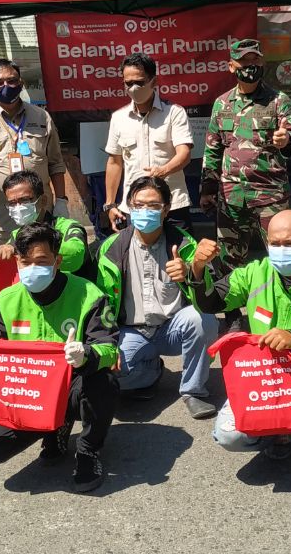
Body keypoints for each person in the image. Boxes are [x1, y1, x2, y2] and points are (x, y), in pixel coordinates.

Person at [186, 209, 291, 497]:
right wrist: (198, 270)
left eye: (290, 244)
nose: (281, 250)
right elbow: (212, 301)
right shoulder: (256, 273)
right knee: (228, 436)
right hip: (267, 374)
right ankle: (276, 432)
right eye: (274, 243)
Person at [0, 221, 119, 494]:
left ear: (57, 261)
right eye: (25, 261)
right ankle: (55, 429)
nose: (33, 268)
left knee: (104, 382)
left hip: (73, 383)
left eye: (41, 261)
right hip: (29, 393)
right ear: (17, 262)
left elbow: (109, 347)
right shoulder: (7, 298)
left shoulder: (89, 294)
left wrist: (86, 355)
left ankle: (88, 450)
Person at [200, 38, 291, 330]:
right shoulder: (222, 103)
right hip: (231, 197)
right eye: (244, 62)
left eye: (255, 61)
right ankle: (233, 315)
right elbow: (212, 149)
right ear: (231, 66)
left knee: (282, 255)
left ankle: (286, 312)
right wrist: (207, 190)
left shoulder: (278, 100)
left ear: (263, 63)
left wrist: (286, 141)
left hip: (271, 197)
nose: (250, 67)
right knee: (229, 259)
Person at [96, 176, 218, 418]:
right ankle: (150, 371)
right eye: (138, 205)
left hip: (172, 329)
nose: (145, 211)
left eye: (153, 206)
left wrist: (191, 272)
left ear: (166, 209)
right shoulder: (111, 248)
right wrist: (107, 344)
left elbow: (211, 295)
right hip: (130, 331)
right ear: (129, 207)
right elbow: (102, 303)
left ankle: (193, 390)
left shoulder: (184, 243)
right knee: (111, 377)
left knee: (203, 319)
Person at [0, 59, 69, 251]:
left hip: (39, 212)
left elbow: (56, 163)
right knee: (2, 266)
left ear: (21, 83)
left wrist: (62, 201)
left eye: (12, 81)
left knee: (41, 262)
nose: (6, 86)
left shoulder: (41, 117)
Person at [102, 52, 194, 234]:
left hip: (172, 205)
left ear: (154, 81)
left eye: (139, 82)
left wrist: (163, 171)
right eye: (128, 83)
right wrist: (110, 204)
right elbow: (114, 162)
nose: (134, 88)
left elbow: (184, 154)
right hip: (135, 208)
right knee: (137, 252)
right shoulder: (119, 118)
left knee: (180, 251)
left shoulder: (174, 113)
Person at [0, 170, 89, 276]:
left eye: (25, 200)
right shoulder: (17, 234)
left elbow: (75, 256)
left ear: (43, 200)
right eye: (12, 203)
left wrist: (21, 249)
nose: (18, 207)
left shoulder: (69, 227)